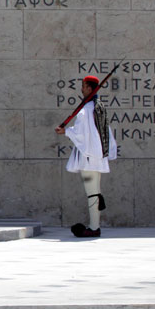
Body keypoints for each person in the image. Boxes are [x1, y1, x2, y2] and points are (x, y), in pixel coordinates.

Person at [55, 75, 117, 238]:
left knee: (92, 193)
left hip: (88, 158)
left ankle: (94, 227)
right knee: (95, 191)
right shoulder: (99, 107)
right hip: (97, 156)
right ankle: (95, 221)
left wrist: (65, 131)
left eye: (83, 86)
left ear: (89, 88)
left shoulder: (86, 110)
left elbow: (81, 133)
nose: (81, 89)